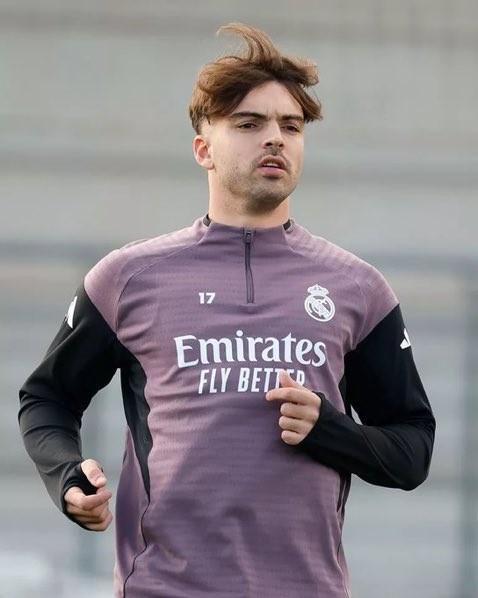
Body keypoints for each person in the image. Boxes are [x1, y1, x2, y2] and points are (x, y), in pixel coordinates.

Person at [18, 22, 436, 598]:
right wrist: (67, 476)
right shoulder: (127, 278)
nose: (275, 139)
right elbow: (45, 398)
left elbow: (413, 449)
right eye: (248, 123)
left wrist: (332, 431)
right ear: (203, 150)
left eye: (291, 126)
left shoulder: (357, 288)